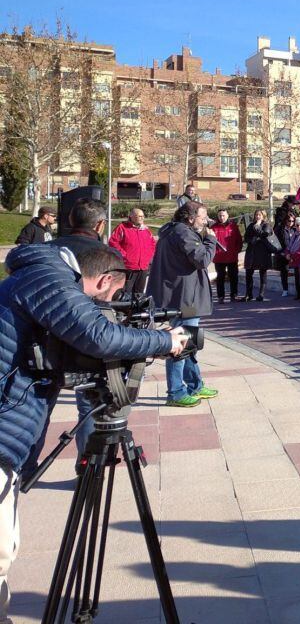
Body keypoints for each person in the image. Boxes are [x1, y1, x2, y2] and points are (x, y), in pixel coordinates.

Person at [0, 243, 186, 620]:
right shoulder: (49, 280)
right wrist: (166, 342)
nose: (105, 309)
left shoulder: (41, 273)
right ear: (103, 281)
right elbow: (98, 336)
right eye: (109, 299)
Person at [147, 202, 220, 408]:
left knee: (189, 342)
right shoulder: (183, 233)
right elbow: (202, 259)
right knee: (181, 342)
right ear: (190, 218)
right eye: (203, 217)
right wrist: (211, 240)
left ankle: (195, 385)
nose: (206, 221)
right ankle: (176, 391)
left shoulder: (172, 231)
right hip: (183, 298)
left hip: (182, 296)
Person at [107, 208, 156, 296]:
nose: (142, 218)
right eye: (139, 216)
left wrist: (148, 257)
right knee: (126, 293)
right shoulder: (122, 228)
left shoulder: (146, 230)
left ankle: (138, 309)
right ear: (131, 217)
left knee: (139, 294)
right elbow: (113, 242)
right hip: (129, 267)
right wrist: (124, 255)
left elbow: (152, 244)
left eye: (143, 216)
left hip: (143, 268)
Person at [241, 209, 276, 301]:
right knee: (249, 273)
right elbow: (246, 237)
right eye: (256, 215)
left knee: (262, 273)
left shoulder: (266, 225)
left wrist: (257, 227)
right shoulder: (251, 225)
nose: (257, 217)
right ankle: (248, 294)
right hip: (251, 252)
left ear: (263, 216)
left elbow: (265, 234)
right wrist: (251, 240)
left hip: (262, 252)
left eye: (259, 215)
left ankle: (261, 294)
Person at [210, 209, 243, 304]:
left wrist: (236, 251)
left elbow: (239, 240)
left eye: (223, 215)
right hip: (219, 258)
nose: (222, 217)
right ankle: (221, 297)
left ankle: (234, 295)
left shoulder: (233, 227)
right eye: (220, 215)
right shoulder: (213, 228)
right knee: (220, 278)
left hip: (232, 257)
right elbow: (210, 243)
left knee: (234, 277)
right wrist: (214, 253)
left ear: (227, 215)